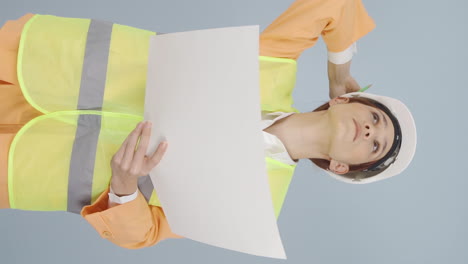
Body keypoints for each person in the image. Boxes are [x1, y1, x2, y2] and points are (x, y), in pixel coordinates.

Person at [0, 0, 416, 250]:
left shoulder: (258, 207)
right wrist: (339, 69)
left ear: (343, 168)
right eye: (375, 118)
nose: (369, 131)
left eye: (375, 146)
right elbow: (334, 4)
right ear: (344, 100)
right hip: (39, 63)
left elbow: (145, 234)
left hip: (30, 163)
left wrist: (125, 189)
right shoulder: (271, 63)